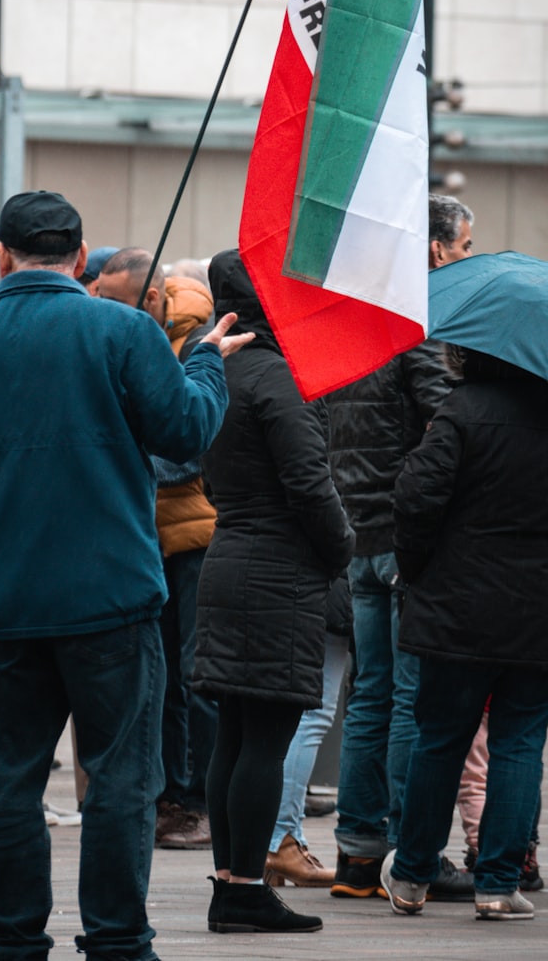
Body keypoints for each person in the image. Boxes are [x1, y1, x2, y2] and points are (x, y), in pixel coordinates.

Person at [0, 190, 251, 961]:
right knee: (119, 782)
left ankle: (14, 941)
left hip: (2, 596)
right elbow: (186, 429)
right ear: (80, 258)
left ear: (1, 256)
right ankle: (116, 940)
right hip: (110, 598)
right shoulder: (124, 328)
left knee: (9, 783)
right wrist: (205, 360)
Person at [193, 249, 355, 936]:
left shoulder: (214, 371)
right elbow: (308, 483)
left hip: (228, 555)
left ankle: (231, 883)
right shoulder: (278, 378)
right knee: (266, 735)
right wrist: (341, 546)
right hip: (278, 572)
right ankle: (244, 889)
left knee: (235, 733)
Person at [327, 193, 475, 900]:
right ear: (435, 250)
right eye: (463, 247)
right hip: (409, 540)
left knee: (370, 697)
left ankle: (358, 853)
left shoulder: (343, 327)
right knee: (413, 701)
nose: (465, 258)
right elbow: (447, 422)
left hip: (356, 532)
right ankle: (412, 855)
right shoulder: (409, 331)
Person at [381, 347, 548, 920]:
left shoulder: (461, 410)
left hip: (457, 606)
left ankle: (410, 875)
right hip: (536, 611)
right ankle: (499, 883)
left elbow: (415, 496)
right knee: (521, 742)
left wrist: (419, 566)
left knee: (441, 738)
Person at [97, 249, 217, 850]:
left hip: (194, 533)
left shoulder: (199, 343)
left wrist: (124, 443)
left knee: (197, 674)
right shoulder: (131, 333)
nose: (103, 315)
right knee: (162, 674)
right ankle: (170, 795)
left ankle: (198, 801)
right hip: (148, 534)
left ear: (148, 298)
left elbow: (187, 447)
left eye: (113, 303)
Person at [264, 575, 351, 887]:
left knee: (289, 715)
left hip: (277, 590)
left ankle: (278, 842)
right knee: (312, 715)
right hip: (318, 589)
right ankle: (281, 841)